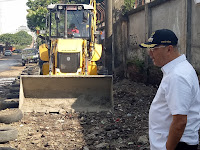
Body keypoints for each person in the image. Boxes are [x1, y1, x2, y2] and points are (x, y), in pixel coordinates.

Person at [139, 29, 200, 150]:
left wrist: (168, 148)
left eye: (154, 49)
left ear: (169, 49)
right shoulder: (177, 70)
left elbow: (180, 122)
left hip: (178, 145)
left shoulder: (178, 76)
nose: (150, 54)